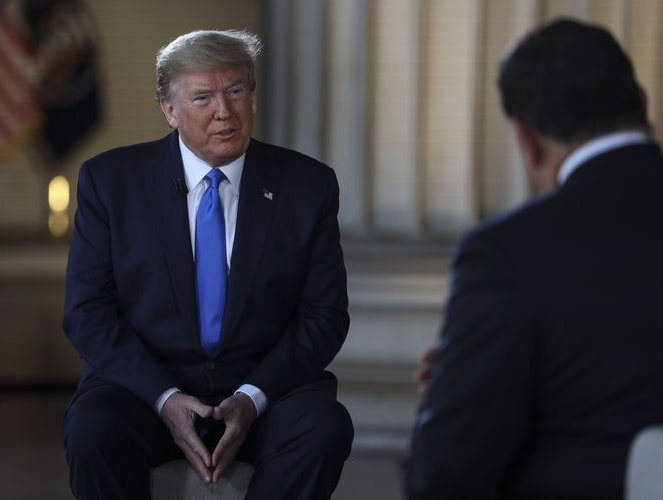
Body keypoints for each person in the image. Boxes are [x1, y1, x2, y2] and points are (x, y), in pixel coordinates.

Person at [62, 29, 353, 500]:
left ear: (252, 97)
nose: (224, 111)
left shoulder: (308, 185)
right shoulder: (111, 182)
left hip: (266, 390)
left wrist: (252, 397)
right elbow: (86, 312)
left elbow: (324, 316)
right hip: (145, 389)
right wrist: (165, 398)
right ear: (169, 110)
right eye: (202, 97)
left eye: (235, 91)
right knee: (93, 429)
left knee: (323, 429)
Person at [406, 18, 663, 500]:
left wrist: (462, 385)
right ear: (643, 104)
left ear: (526, 139)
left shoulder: (507, 253)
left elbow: (445, 474)